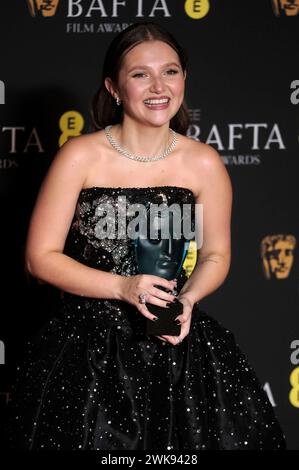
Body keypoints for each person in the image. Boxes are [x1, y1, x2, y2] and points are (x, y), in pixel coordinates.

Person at [8, 22, 286, 450]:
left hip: (174, 343)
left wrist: (188, 300)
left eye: (170, 72)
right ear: (114, 87)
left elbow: (216, 254)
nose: (159, 86)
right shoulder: (80, 156)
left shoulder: (203, 163)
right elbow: (39, 258)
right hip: (87, 351)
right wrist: (122, 286)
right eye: (141, 74)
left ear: (184, 80)